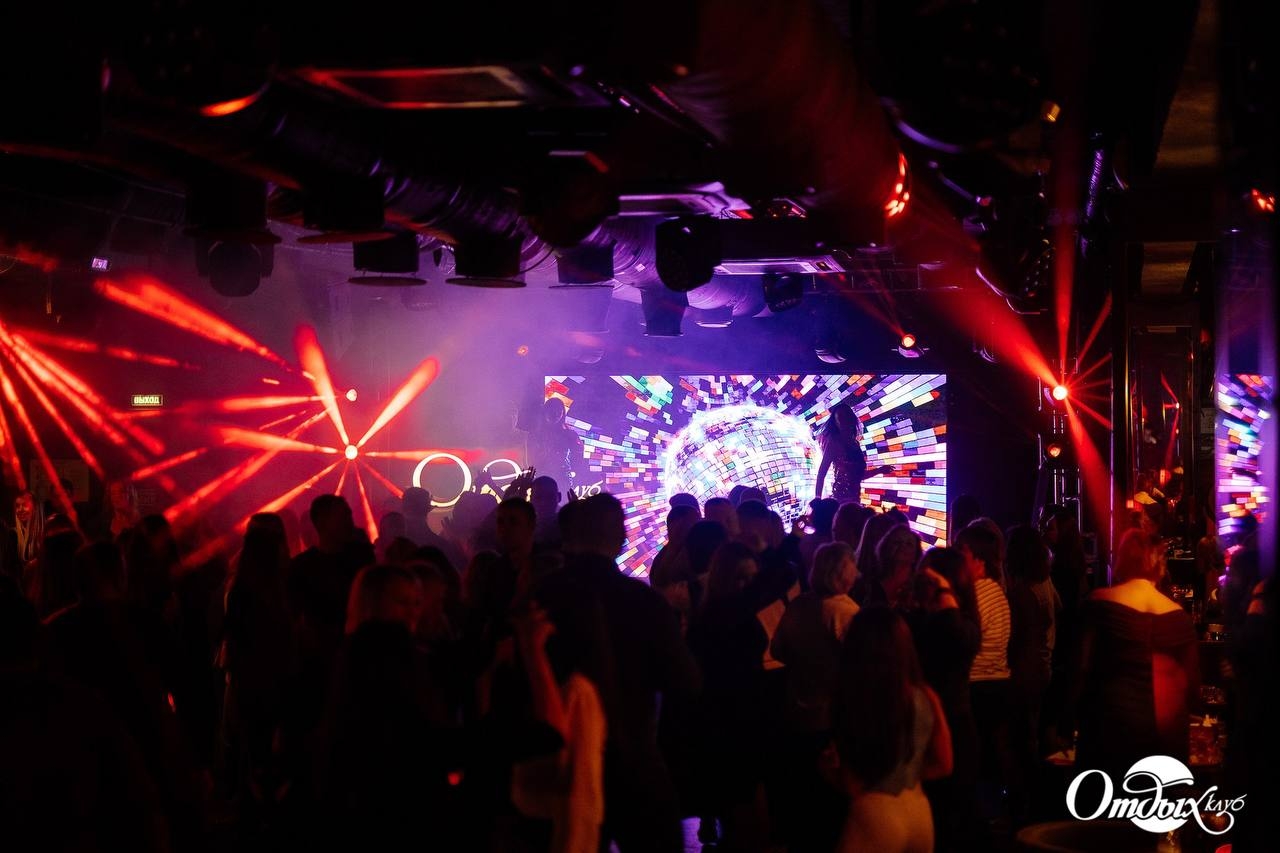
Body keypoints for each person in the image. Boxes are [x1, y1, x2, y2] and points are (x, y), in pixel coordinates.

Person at [1073, 529, 1199, 781]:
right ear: (1159, 564)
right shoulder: (1180, 618)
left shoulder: (1099, 603)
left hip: (1109, 727)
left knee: (1104, 802)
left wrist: (1067, 721)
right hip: (1166, 736)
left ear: (1122, 559)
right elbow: (1192, 686)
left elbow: (1079, 669)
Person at [834, 607, 953, 853]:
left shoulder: (856, 700)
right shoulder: (926, 696)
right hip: (919, 812)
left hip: (875, 813)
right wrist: (905, 774)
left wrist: (829, 772)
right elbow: (944, 764)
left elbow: (853, 784)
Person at [815, 403, 891, 502]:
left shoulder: (854, 444)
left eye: (847, 417)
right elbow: (822, 473)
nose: (845, 421)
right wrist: (817, 499)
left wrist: (879, 470)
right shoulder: (834, 443)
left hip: (854, 499)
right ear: (836, 422)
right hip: (841, 499)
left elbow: (857, 475)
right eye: (841, 418)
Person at [527, 398, 584, 490]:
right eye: (552, 410)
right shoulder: (536, 434)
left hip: (562, 477)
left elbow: (578, 455)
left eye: (558, 411)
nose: (555, 414)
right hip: (542, 476)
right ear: (545, 411)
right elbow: (530, 460)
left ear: (562, 413)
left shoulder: (569, 434)